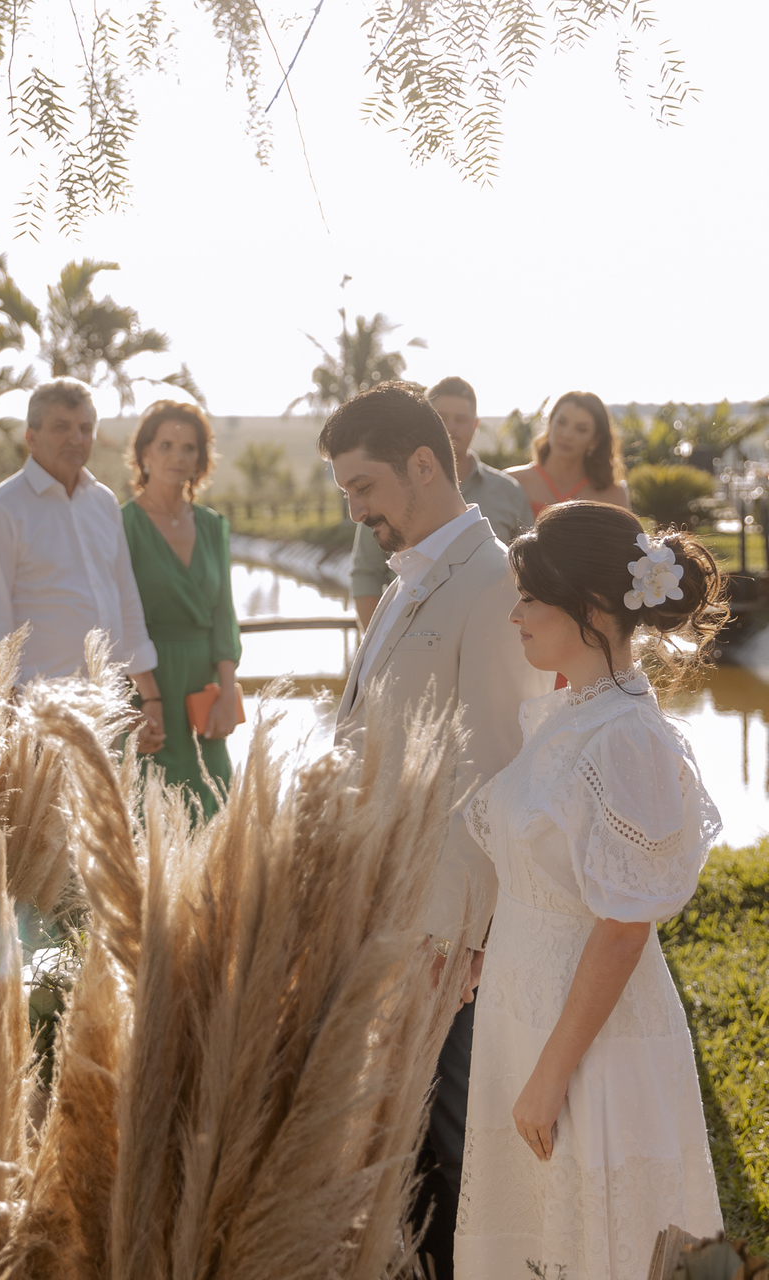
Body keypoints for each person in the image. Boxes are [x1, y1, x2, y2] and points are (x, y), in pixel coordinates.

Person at [456, 501, 726, 1279]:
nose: (515, 615)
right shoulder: (573, 713)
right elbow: (548, 873)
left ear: (595, 608)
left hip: (587, 1054)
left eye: (531, 598)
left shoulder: (627, 739)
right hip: (530, 1018)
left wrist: (548, 1080)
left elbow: (621, 927)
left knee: (592, 1247)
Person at [322, 382, 551, 1280]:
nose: (356, 510)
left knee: (447, 1144)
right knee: (401, 1137)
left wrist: (454, 941)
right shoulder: (411, 574)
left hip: (440, 936)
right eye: (346, 492)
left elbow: (493, 768)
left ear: (426, 465)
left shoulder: (492, 582)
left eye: (364, 486)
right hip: (386, 904)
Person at [0, 380, 159, 707]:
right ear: (31, 437)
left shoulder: (104, 503)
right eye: (61, 427)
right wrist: (8, 714)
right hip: (37, 711)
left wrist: (151, 698)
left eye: (85, 428)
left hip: (106, 705)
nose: (76, 438)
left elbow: (126, 600)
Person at [120, 400, 242, 818]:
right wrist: (134, 702)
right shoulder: (122, 526)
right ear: (145, 453)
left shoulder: (212, 526)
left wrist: (228, 692)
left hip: (202, 686)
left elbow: (223, 615)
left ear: (200, 459)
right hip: (144, 682)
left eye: (189, 448)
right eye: (167, 444)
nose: (178, 456)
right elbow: (116, 617)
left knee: (214, 798)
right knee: (150, 809)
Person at [349, 376, 534, 631]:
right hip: (408, 641)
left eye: (461, 419)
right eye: (441, 418)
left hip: (490, 639)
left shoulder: (508, 493)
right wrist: (379, 647)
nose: (450, 427)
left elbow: (530, 574)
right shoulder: (390, 491)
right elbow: (365, 574)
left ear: (475, 425)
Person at [509, 390, 629, 519]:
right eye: (561, 422)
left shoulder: (613, 495)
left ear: (595, 440)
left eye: (581, 429)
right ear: (550, 423)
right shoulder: (512, 482)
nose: (567, 435)